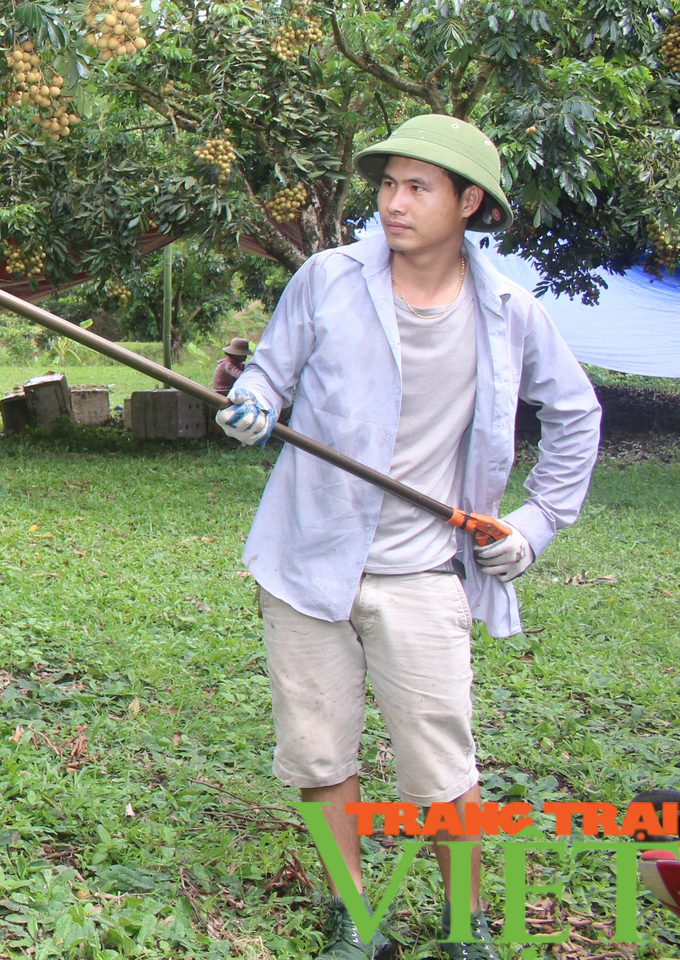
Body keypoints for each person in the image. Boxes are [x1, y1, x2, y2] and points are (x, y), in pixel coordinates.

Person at [214, 115, 600, 960]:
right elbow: (271, 373)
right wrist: (254, 404)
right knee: (318, 750)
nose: (394, 202)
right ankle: (353, 917)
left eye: (418, 186)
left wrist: (533, 525)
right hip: (305, 557)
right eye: (388, 184)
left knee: (441, 766)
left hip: (423, 569)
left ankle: (466, 924)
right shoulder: (327, 278)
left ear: (468, 203)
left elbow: (576, 415)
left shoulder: (508, 311)